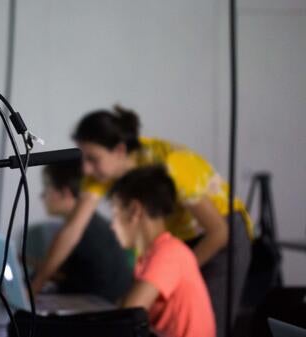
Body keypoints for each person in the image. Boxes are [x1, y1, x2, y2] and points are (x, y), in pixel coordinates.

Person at [31, 105, 251, 337]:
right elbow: (71, 231)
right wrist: (36, 284)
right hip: (178, 243)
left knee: (212, 323)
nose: (86, 168)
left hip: (221, 233)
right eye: (83, 158)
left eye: (93, 159)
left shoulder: (172, 164)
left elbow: (219, 231)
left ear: (119, 150)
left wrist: (176, 270)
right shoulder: (101, 174)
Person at [111, 165, 215, 337]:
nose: (112, 226)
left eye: (115, 213)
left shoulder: (169, 253)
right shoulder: (148, 256)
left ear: (135, 210)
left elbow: (127, 316)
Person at [39, 162, 133, 302]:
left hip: (91, 309)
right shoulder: (95, 224)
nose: (42, 195)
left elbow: (57, 276)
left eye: (47, 188)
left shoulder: (78, 232)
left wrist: (33, 285)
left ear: (66, 193)